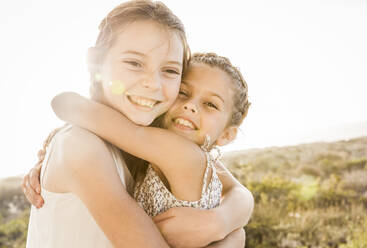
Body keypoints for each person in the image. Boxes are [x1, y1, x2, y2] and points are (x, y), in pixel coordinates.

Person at [23, 1, 254, 247]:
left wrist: (222, 222)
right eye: (134, 63)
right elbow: (66, 104)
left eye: (169, 70)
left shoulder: (146, 143)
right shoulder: (81, 145)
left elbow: (239, 193)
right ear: (95, 60)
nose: (152, 83)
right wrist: (231, 239)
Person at [51, 52, 250, 220]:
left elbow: (67, 104)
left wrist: (65, 134)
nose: (190, 105)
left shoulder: (182, 154)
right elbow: (239, 193)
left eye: (210, 104)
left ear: (226, 135)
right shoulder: (202, 160)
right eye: (183, 92)